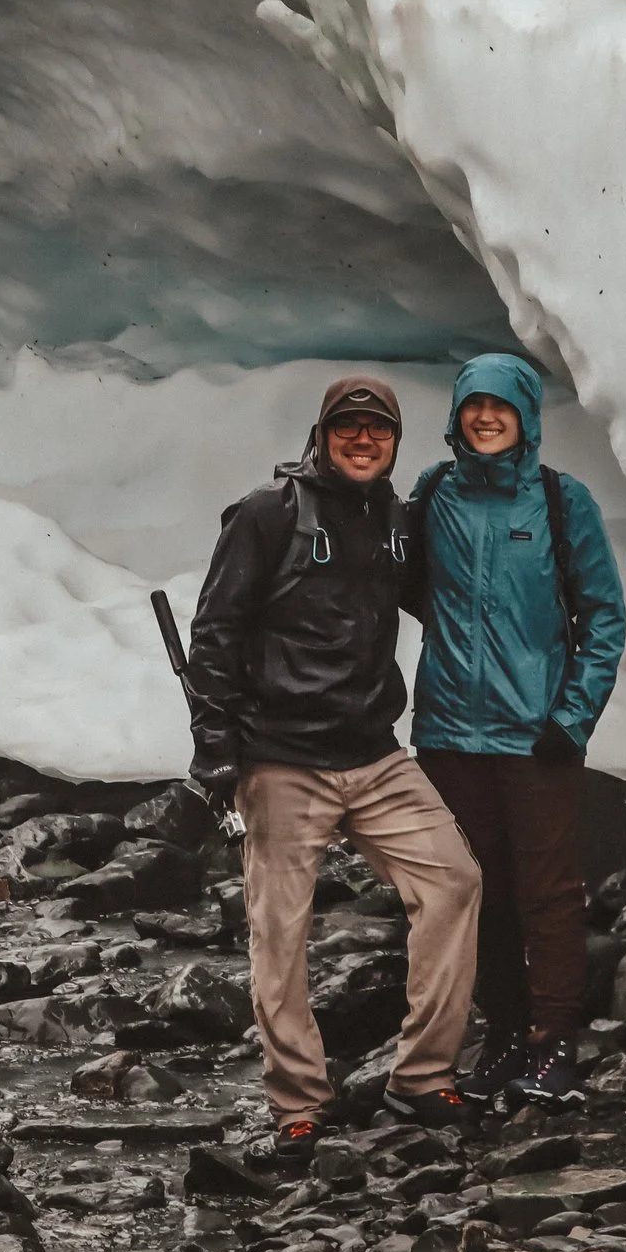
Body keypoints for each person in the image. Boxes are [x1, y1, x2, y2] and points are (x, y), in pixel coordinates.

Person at [185, 376, 483, 1155]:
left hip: (375, 753)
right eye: (348, 427)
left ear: (394, 443)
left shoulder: (395, 521)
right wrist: (214, 747)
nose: (362, 439)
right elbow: (215, 632)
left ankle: (422, 1075)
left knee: (454, 879)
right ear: (321, 433)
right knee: (279, 930)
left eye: (377, 429)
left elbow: (448, 601)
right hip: (282, 758)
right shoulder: (266, 516)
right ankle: (298, 1102)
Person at [407, 353, 626, 1109]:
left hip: (535, 738)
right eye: (474, 405)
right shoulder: (434, 494)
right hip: (447, 735)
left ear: (527, 416)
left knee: (548, 892)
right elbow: (397, 588)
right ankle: (504, 1032)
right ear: (457, 415)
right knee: (481, 891)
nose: (487, 417)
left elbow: (603, 615)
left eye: (502, 406)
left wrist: (572, 717)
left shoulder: (563, 503)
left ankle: (556, 1039)